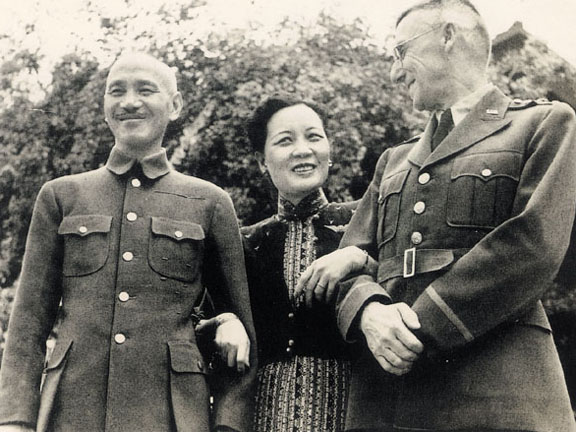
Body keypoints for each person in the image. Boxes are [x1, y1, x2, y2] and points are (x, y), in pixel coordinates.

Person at [299, 1, 576, 431]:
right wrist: (369, 312)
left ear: (448, 36)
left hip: (495, 396)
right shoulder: (394, 160)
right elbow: (349, 260)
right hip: (386, 400)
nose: (395, 72)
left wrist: (415, 328)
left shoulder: (544, 123)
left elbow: (532, 244)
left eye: (401, 52)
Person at [0, 52, 256, 432]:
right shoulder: (61, 196)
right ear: (104, 107)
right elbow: (27, 326)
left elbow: (241, 332)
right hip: (72, 411)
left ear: (175, 105)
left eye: (145, 90)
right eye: (116, 91)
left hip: (172, 417)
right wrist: (15, 420)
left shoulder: (210, 202)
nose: (129, 101)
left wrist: (228, 426)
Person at [198, 96, 377, 432]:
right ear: (261, 161)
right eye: (285, 141)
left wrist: (361, 259)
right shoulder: (242, 243)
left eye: (314, 137)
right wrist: (223, 322)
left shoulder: (365, 221)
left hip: (354, 413)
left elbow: (402, 283)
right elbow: (197, 317)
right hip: (264, 415)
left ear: (329, 150)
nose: (303, 150)